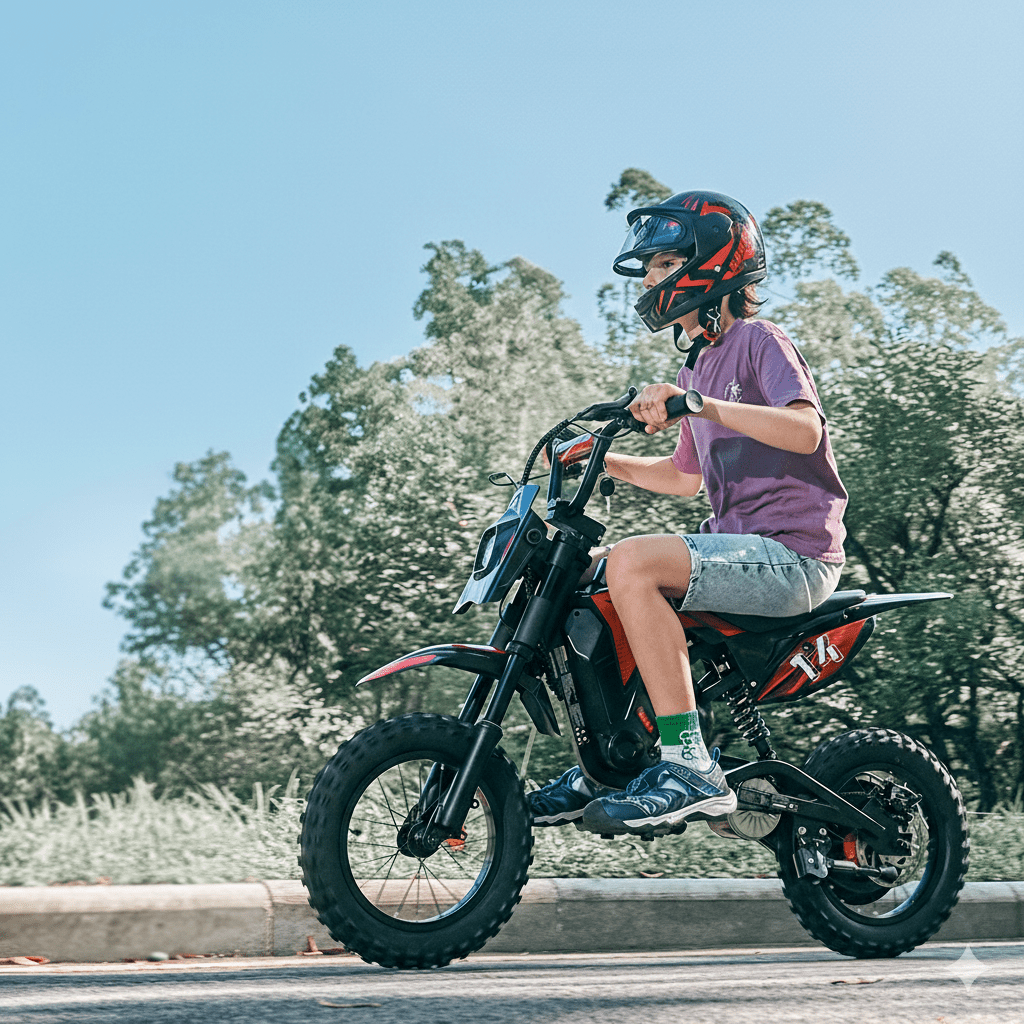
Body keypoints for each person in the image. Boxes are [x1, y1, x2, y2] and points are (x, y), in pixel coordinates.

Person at [528, 190, 848, 836]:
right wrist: (600, 459)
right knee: (586, 580)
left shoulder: (761, 342)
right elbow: (683, 477)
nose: (649, 280)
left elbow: (805, 431)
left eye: (660, 264)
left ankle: (690, 767)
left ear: (710, 265)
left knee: (631, 563)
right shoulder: (696, 363)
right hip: (740, 553)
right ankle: (605, 766)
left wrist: (698, 405)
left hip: (794, 556)